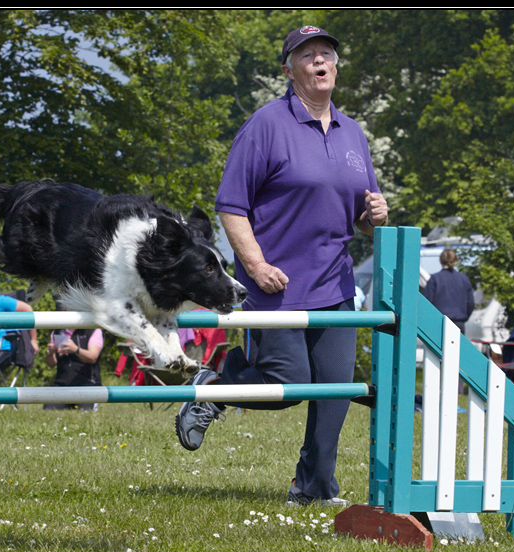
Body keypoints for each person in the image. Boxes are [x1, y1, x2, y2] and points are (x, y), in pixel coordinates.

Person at [175, 26, 389, 507]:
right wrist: (255, 263)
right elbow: (231, 206)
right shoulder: (266, 125)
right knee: (287, 386)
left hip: (335, 283)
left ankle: (312, 488)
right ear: (289, 70)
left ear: (336, 67)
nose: (320, 61)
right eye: (307, 55)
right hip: (276, 283)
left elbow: (361, 213)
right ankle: (211, 387)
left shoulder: (354, 133)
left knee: (335, 390)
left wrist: (375, 215)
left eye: (327, 54)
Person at [43, 316, 105, 410]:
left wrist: (75, 350)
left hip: (87, 385)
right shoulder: (57, 331)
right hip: (61, 384)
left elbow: (93, 357)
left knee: (85, 414)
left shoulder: (93, 330)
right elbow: (51, 363)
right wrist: (50, 353)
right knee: (48, 411)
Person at [423, 249, 475, 334]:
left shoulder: (435, 279)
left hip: (439, 323)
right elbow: (471, 304)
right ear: (455, 260)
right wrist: (463, 318)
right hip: (459, 323)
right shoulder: (464, 279)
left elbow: (427, 303)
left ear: (440, 260)